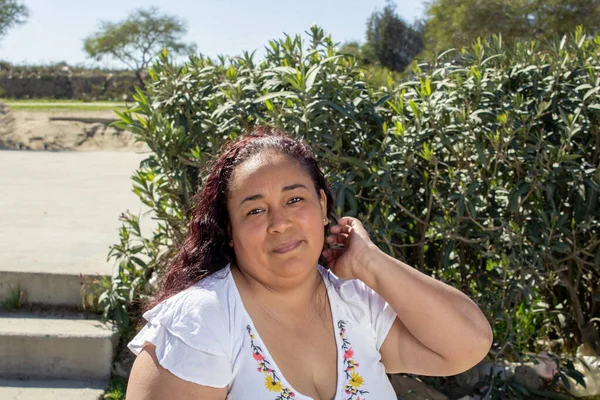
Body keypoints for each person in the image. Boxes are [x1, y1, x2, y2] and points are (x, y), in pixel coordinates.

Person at [125, 125, 493, 400]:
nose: (279, 222)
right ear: (230, 231)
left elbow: (467, 344)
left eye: (294, 200)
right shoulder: (202, 322)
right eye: (254, 209)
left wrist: (370, 262)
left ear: (322, 206)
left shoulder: (356, 301)